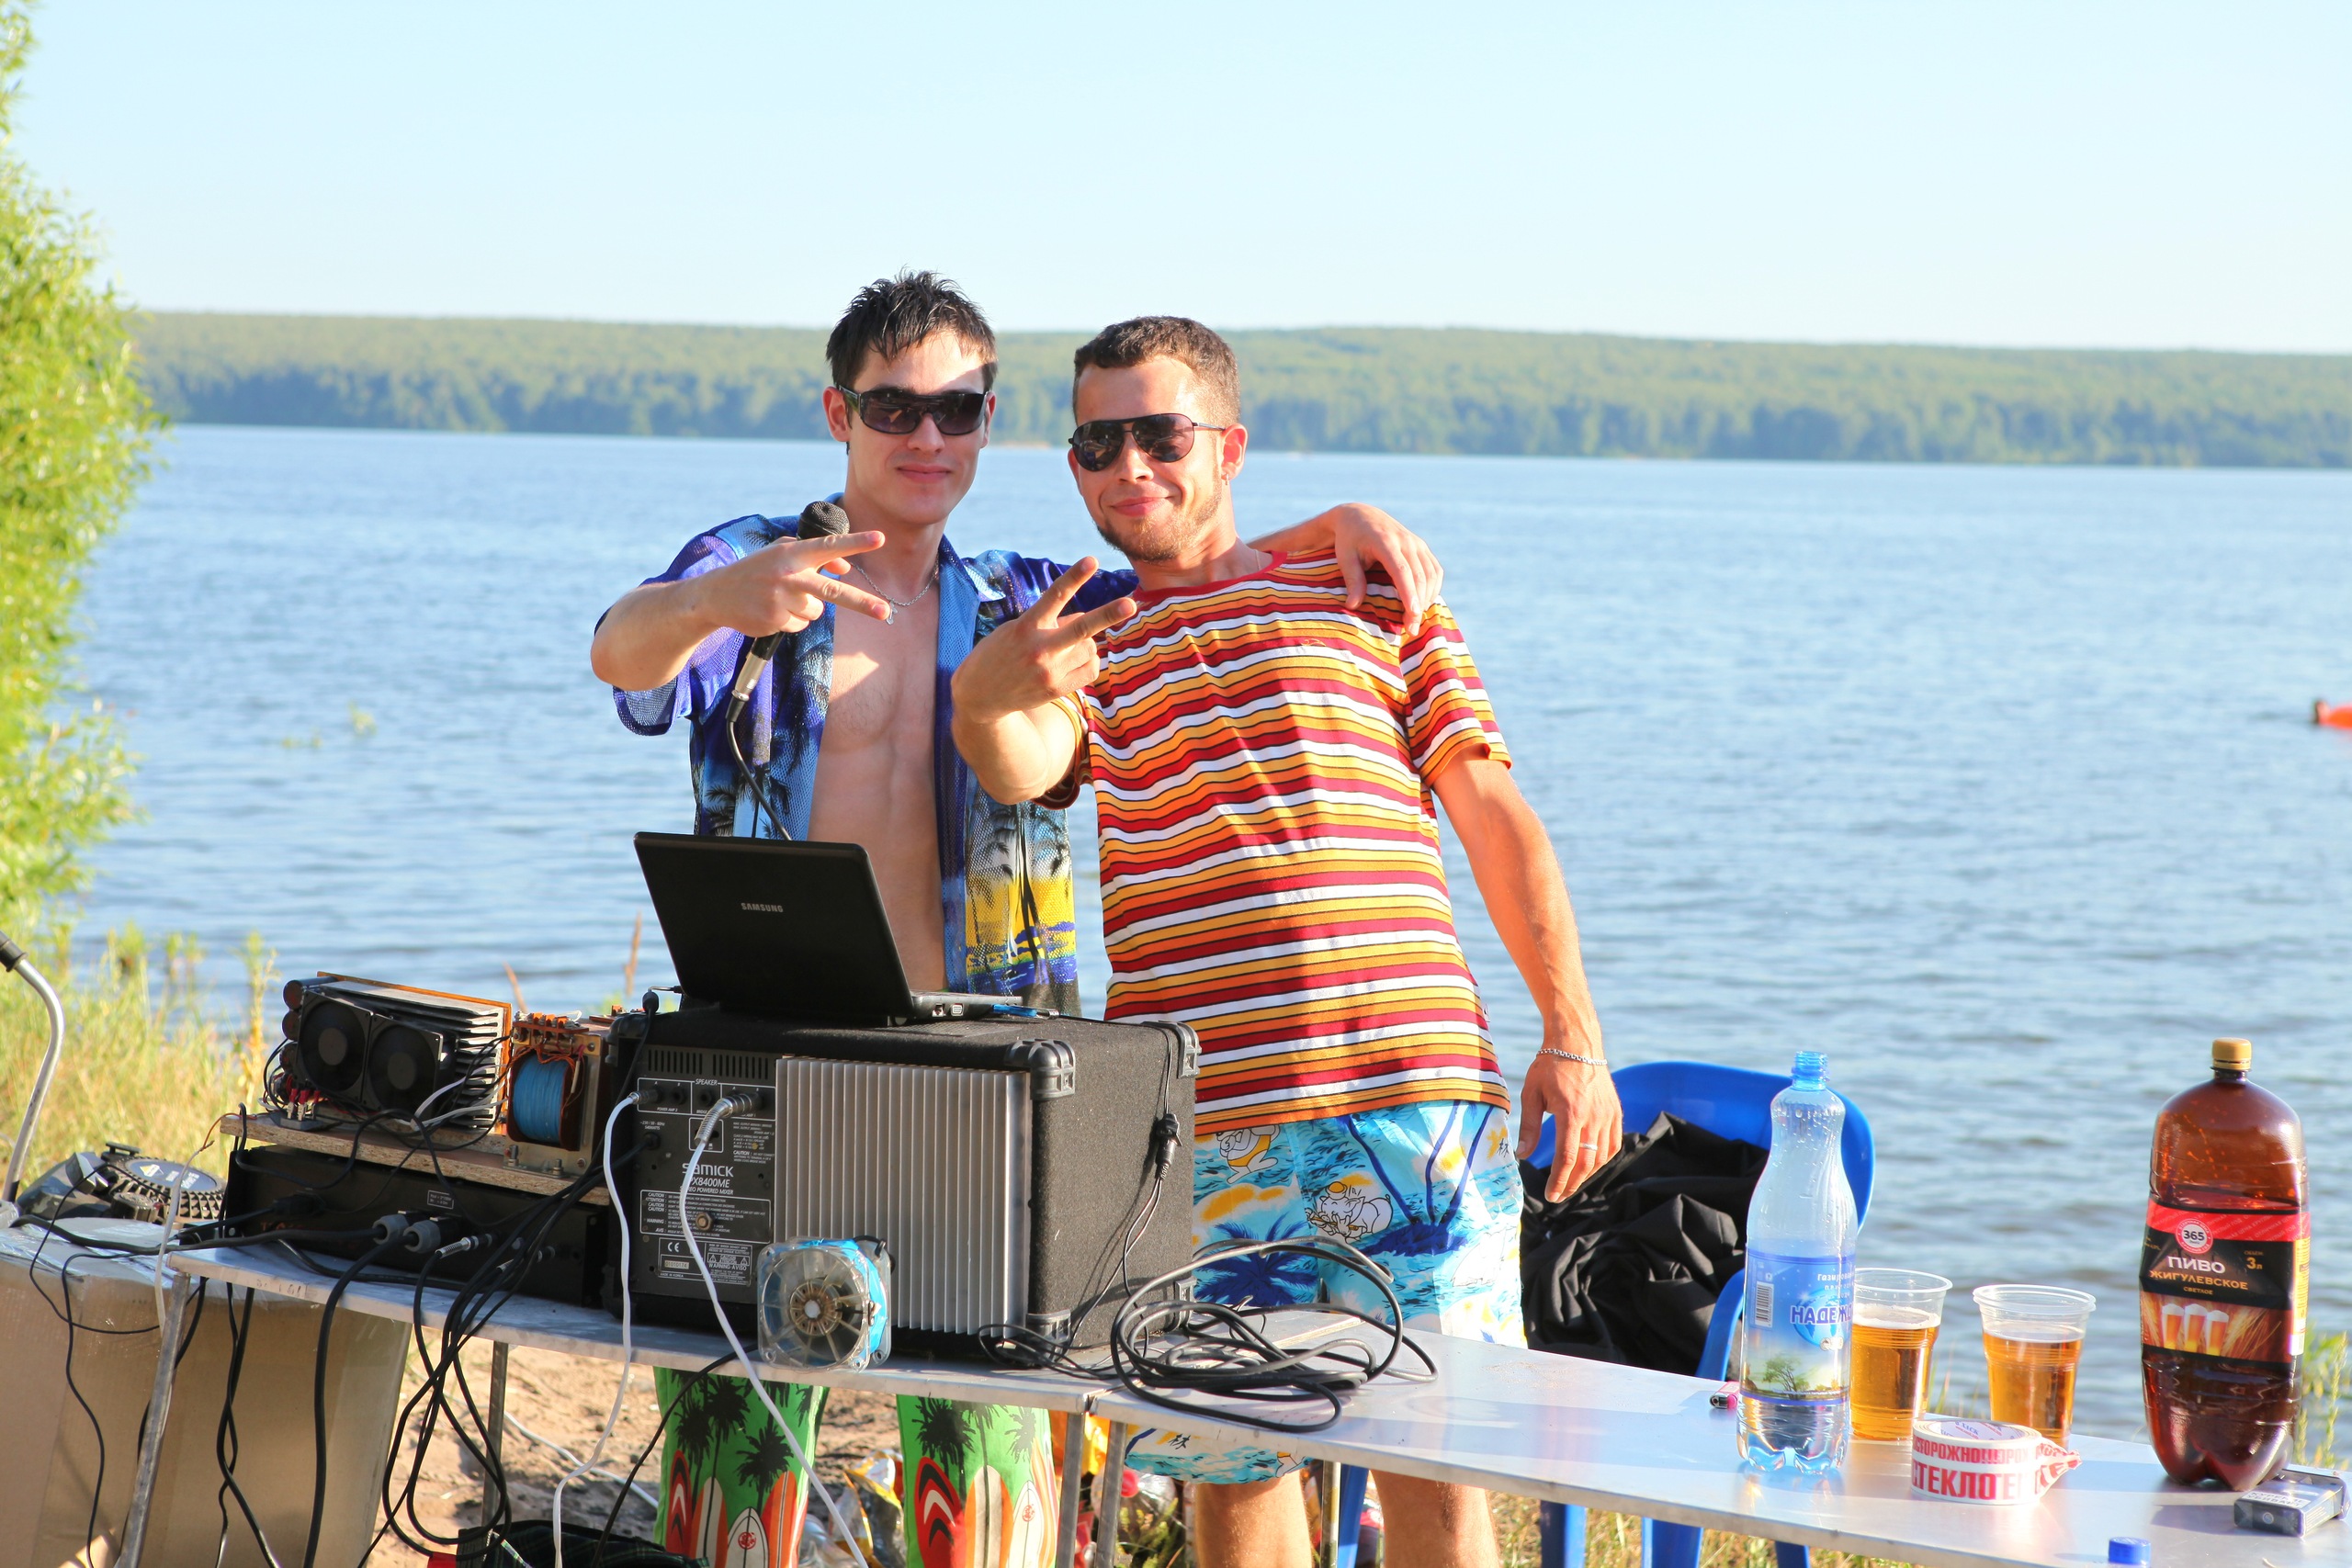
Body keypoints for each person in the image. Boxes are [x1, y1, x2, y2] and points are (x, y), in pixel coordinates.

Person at [590, 274, 1446, 1567]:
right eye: (894, 407)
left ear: (989, 422)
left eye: (959, 409)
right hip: (766, 1051)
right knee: (737, 1443)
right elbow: (621, 653)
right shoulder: (759, 565)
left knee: (987, 1446)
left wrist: (1336, 522)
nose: (927, 436)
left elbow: (1194, 567)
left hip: (982, 1070)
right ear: (839, 412)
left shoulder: (1034, 600)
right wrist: (716, 601)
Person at [949, 315, 1621, 1568]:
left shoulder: (1371, 591)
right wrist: (981, 697)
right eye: (1097, 444)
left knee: (1438, 1475)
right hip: (1201, 1121)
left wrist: (1572, 1036)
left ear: (1232, 445)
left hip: (1412, 1103)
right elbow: (1018, 760)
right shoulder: (1084, 643)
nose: (1129, 467)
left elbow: (1493, 813)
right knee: (1233, 1471)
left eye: (1162, 435)